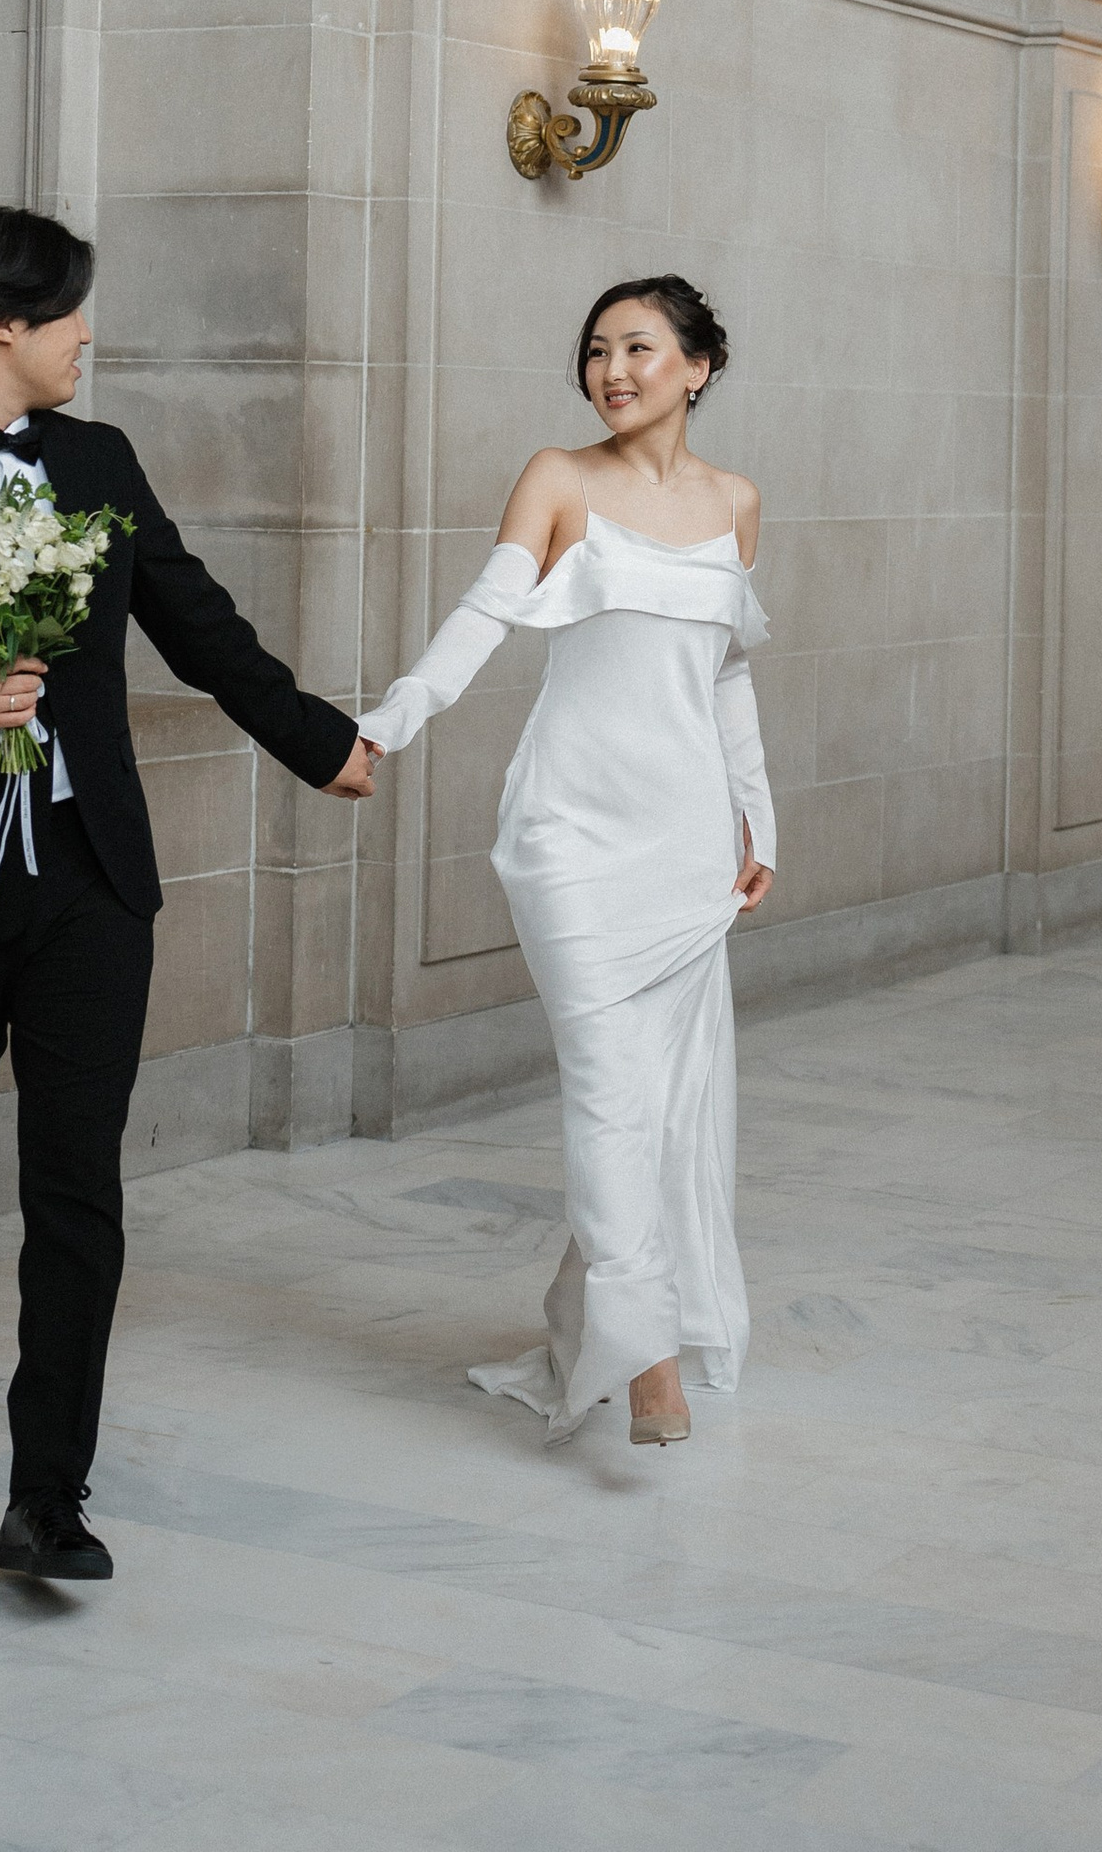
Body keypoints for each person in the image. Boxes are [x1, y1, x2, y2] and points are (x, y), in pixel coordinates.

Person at [0, 205, 375, 1582]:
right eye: (70, 313)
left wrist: (314, 738)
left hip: (89, 873)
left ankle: (53, 1490)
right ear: (1, 320)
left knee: (77, 1181)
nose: (87, 336)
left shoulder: (95, 462)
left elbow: (196, 618)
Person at [359, 275, 774, 1447]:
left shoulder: (736, 501)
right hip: (571, 832)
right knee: (605, 1081)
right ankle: (642, 1352)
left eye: (639, 348)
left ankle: (614, 1311)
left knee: (663, 1098)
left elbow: (727, 673)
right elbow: (484, 614)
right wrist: (390, 718)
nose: (613, 371)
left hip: (687, 839)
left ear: (697, 367)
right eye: (596, 350)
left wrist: (761, 818)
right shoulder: (557, 477)